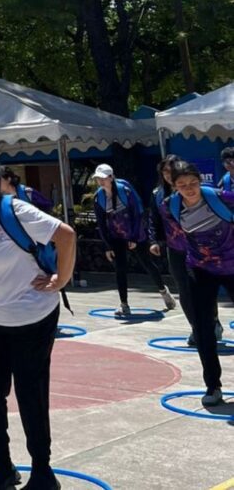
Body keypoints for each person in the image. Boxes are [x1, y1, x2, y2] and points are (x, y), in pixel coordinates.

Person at [0, 158, 75, 490]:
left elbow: (66, 235)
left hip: (30, 319)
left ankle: (42, 471)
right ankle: (3, 466)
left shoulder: (15, 211)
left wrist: (60, 280)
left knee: (29, 393)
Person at [167, 160, 234, 407]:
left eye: (193, 183)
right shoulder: (170, 205)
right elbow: (175, 238)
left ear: (200, 181)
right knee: (202, 329)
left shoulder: (221, 197)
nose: (189, 188)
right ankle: (213, 386)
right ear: (173, 185)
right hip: (200, 268)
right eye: (182, 185)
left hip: (231, 265)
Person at [148, 156, 218, 347]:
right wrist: (154, 241)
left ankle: (213, 320)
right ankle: (196, 328)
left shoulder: (196, 192)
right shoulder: (159, 194)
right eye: (165, 172)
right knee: (184, 291)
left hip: (199, 247)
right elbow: (154, 218)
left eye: (172, 171)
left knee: (204, 287)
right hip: (175, 248)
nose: (169, 175)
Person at [92, 164, 176, 316]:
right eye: (98, 178)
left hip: (134, 232)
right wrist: (107, 246)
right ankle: (124, 304)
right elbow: (101, 223)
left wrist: (134, 237)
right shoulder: (99, 197)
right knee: (120, 268)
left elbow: (138, 213)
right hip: (116, 235)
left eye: (103, 178)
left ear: (111, 177)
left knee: (147, 263)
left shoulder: (125, 191)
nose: (101, 181)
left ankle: (163, 291)